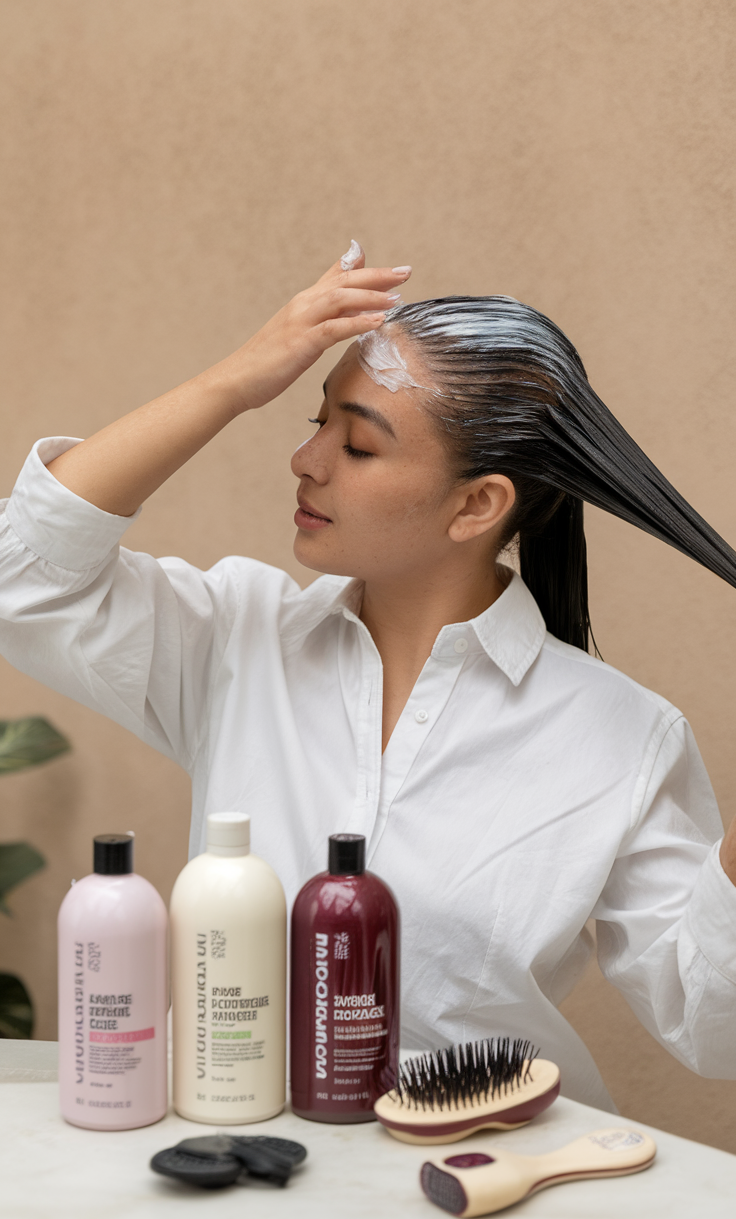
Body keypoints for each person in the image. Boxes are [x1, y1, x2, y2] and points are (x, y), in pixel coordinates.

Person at [1, 243, 735, 1110]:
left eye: (356, 444)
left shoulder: (622, 737)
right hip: (253, 1153)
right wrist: (235, 382)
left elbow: (712, 1026)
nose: (306, 460)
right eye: (313, 423)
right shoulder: (236, 639)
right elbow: (25, 578)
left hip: (491, 1175)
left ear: (476, 505)